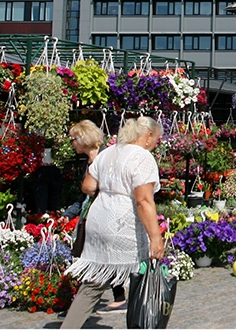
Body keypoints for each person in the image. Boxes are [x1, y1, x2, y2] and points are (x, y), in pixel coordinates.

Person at [61, 116, 165, 329]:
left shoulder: (107, 152)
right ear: (147, 136)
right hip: (124, 223)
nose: (156, 143)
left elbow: (88, 187)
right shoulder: (142, 157)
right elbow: (143, 200)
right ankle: (141, 325)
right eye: (156, 138)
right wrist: (156, 237)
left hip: (99, 220)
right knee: (140, 278)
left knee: (93, 282)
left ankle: (69, 327)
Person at [61, 120, 126, 312]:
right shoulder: (87, 163)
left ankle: (89, 304)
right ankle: (109, 299)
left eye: (73, 139)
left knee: (100, 257)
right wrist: (69, 214)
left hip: (106, 215)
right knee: (92, 257)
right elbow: (84, 197)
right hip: (91, 216)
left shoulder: (107, 157)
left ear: (83, 138)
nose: (72, 143)